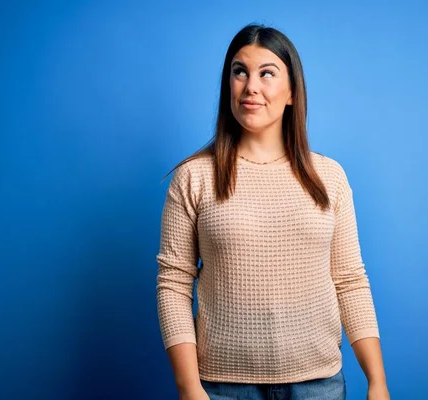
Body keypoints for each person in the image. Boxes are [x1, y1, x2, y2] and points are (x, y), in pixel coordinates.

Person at [156, 23, 390, 400]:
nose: (251, 86)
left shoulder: (329, 176)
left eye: (267, 73)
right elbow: (173, 283)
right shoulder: (193, 177)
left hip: (319, 386)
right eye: (239, 72)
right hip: (222, 388)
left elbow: (349, 280)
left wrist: (377, 380)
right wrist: (188, 387)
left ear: (292, 92)